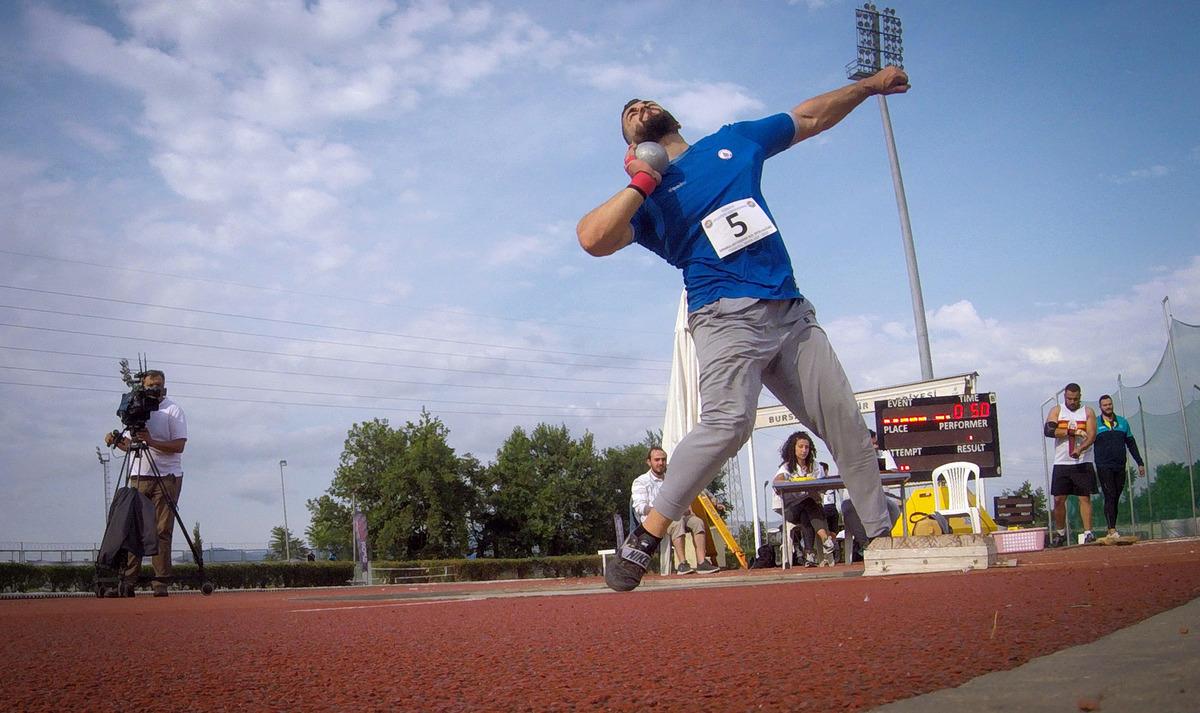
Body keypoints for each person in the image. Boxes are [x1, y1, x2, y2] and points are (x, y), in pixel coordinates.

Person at [579, 66, 909, 591]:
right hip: (723, 316)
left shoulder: (732, 142)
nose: (639, 109)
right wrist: (643, 180)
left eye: (643, 103)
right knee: (729, 424)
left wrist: (867, 88)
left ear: (670, 115)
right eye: (629, 116)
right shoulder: (648, 200)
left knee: (846, 420)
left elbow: (808, 117)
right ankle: (647, 534)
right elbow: (593, 238)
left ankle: (880, 538)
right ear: (631, 145)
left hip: (791, 312)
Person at [103, 369, 188, 596]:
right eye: (149, 385)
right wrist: (118, 441)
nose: (153, 389)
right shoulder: (137, 408)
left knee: (161, 530)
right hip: (139, 475)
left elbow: (179, 446)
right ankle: (127, 583)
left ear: (164, 385)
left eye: (157, 385)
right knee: (133, 530)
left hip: (166, 477)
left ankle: (160, 583)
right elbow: (133, 446)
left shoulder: (173, 410)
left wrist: (151, 440)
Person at [630, 447, 720, 575]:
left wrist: (712, 498)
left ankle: (702, 562)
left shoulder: (672, 479)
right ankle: (682, 564)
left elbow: (696, 487)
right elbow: (640, 507)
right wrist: (661, 511)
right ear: (649, 462)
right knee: (677, 523)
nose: (661, 463)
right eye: (657, 460)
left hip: (676, 515)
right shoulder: (641, 481)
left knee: (697, 522)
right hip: (654, 521)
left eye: (663, 460)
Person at [1044, 383, 1097, 546]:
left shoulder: (1087, 412)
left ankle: (1088, 532)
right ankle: (1060, 533)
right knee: (1059, 499)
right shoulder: (1057, 410)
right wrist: (1071, 431)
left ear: (1080, 397)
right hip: (1062, 461)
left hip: (1082, 461)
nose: (1072, 402)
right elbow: (1049, 430)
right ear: (1065, 397)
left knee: (1084, 497)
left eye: (1075, 399)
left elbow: (1092, 435)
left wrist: (1080, 448)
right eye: (1069, 398)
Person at [772, 432, 835, 567]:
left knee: (807, 511)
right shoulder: (787, 467)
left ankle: (810, 555)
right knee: (807, 502)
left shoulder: (816, 466)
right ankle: (825, 538)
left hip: (811, 508)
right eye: (800, 447)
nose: (804, 450)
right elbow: (777, 481)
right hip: (790, 510)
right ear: (793, 449)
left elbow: (823, 489)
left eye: (806, 447)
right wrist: (788, 480)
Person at [1094, 394, 1146, 538]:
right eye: (1105, 405)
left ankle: (1112, 527)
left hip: (1120, 465)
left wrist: (1140, 463)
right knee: (1109, 494)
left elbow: (1131, 443)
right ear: (1100, 407)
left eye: (1109, 404)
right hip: (1103, 466)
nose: (1108, 407)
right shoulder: (1095, 424)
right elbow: (1086, 442)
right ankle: (1111, 529)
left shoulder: (1123, 422)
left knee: (1116, 495)